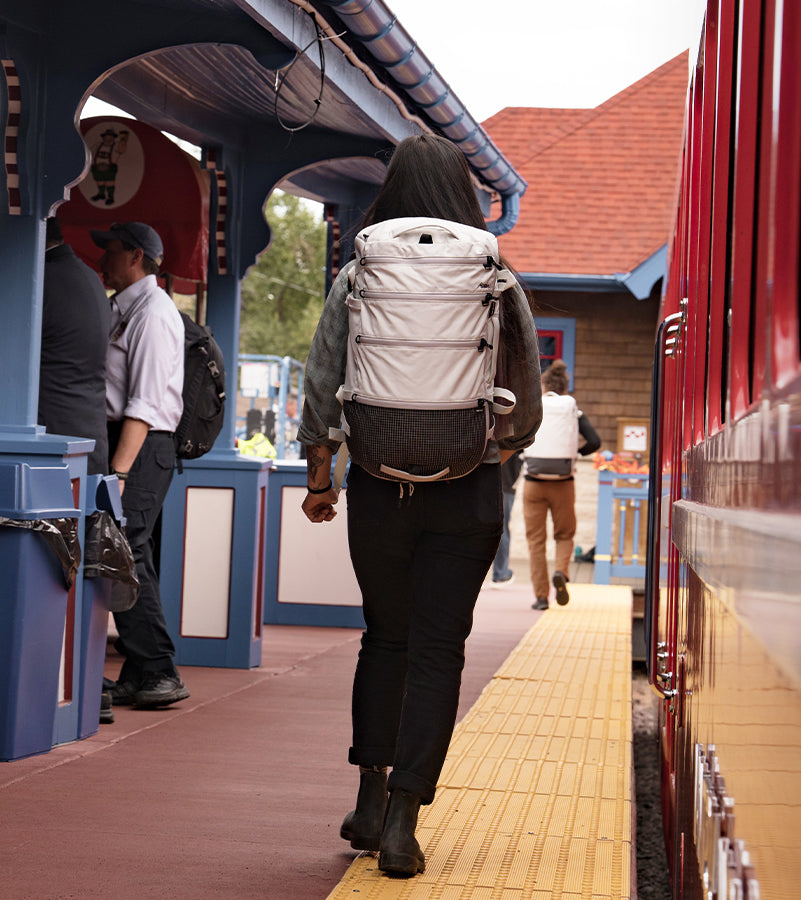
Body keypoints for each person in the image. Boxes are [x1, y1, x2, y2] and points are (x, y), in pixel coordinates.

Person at [297, 134, 542, 877]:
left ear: (393, 189)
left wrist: (320, 478)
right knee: (439, 650)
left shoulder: (361, 267)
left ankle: (368, 802)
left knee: (386, 639)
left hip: (379, 485)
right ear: (462, 194)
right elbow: (525, 389)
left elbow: (322, 378)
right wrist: (500, 450)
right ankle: (403, 824)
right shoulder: (492, 268)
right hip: (467, 489)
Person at [94, 221, 190, 711]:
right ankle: (140, 668)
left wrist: (119, 471)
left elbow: (146, 403)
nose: (102, 260)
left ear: (134, 256)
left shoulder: (152, 314)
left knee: (123, 550)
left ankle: (158, 669)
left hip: (141, 444)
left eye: (109, 251)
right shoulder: (125, 309)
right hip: (133, 443)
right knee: (134, 553)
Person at [0, 218, 113, 473]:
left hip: (42, 445)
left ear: (20, 239)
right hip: (81, 436)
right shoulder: (88, 277)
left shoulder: (38, 282)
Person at [521, 359, 601, 611]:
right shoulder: (572, 410)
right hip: (563, 483)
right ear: (565, 387)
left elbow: (517, 438)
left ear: (543, 385)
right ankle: (561, 572)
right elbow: (595, 442)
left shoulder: (535, 407)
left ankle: (541, 597)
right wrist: (576, 453)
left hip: (533, 483)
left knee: (536, 541)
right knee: (564, 534)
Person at [490, 450, 523, 584]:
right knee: (501, 528)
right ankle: (501, 573)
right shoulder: (515, 430)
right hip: (505, 482)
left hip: (482, 480)